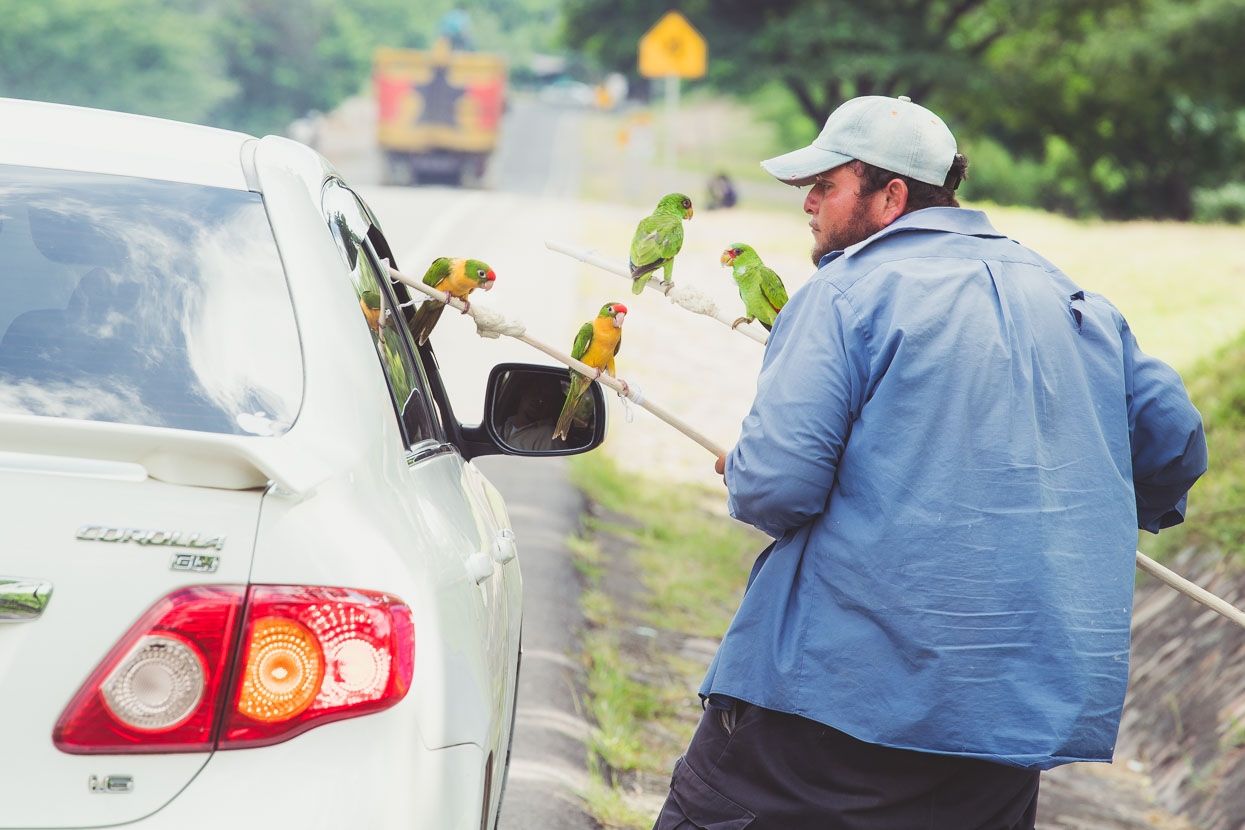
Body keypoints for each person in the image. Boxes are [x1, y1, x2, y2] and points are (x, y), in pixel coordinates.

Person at [651, 95, 1207, 830]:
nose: (808, 203)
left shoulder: (844, 294)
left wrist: (748, 469)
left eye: (827, 184)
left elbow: (778, 488)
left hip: (830, 704)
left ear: (890, 196)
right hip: (1005, 721)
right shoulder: (1076, 303)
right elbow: (1173, 443)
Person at [498, 376, 570, 452]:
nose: (540, 400)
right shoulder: (503, 426)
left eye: (547, 398)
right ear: (523, 391)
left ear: (552, 406)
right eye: (536, 392)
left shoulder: (549, 437)